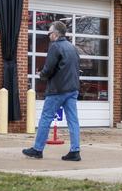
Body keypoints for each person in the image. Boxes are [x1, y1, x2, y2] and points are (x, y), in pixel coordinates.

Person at [23, 21, 82, 161]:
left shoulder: (55, 47)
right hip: (73, 89)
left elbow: (49, 68)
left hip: (57, 90)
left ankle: (37, 149)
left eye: (49, 33)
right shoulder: (73, 48)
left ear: (55, 34)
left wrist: (41, 75)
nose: (48, 35)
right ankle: (75, 151)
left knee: (46, 118)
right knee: (73, 120)